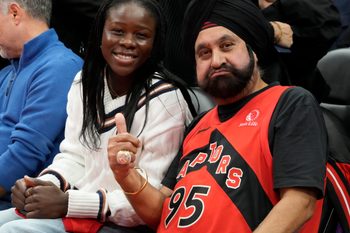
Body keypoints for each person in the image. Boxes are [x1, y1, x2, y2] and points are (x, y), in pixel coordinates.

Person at [106, 0, 329, 232]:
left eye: (227, 45)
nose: (216, 60)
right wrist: (126, 175)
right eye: (204, 53)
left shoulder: (290, 103)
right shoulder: (198, 124)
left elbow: (300, 203)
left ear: (254, 51)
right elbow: (161, 213)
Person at [0, 0, 196, 232]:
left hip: (121, 224)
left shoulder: (167, 99)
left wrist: (68, 203)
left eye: (141, 35)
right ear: (100, 34)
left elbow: (151, 199)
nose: (127, 42)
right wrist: (40, 187)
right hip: (76, 210)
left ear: (156, 43)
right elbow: (74, 156)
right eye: (117, 31)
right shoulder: (84, 83)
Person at [0, 0, 83, 209]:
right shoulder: (8, 71)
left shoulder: (61, 67)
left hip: (22, 208)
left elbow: (23, 157)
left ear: (15, 13)